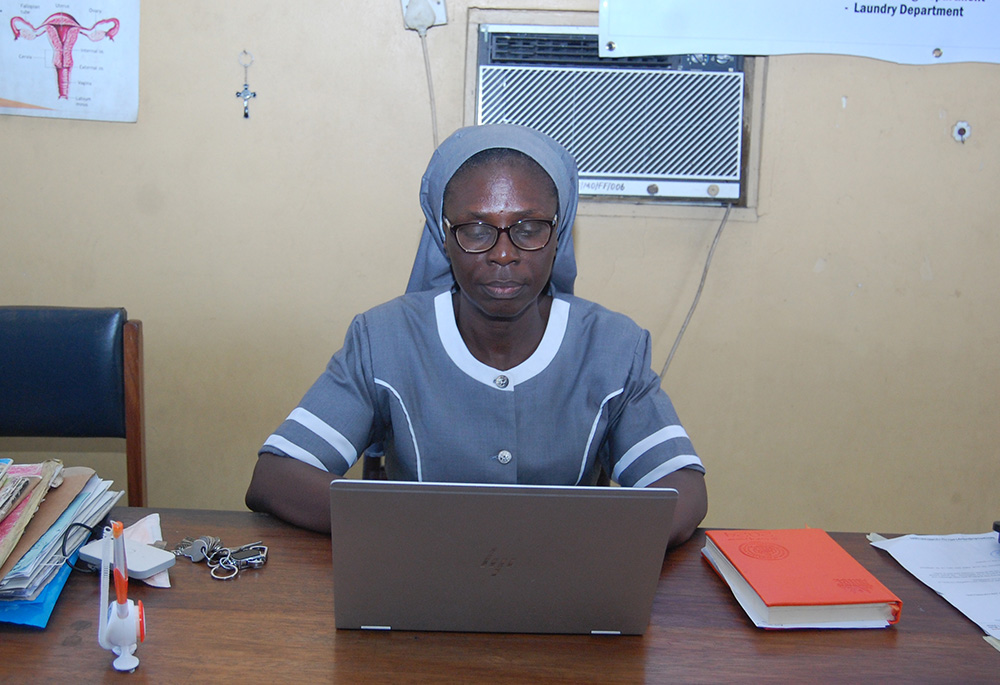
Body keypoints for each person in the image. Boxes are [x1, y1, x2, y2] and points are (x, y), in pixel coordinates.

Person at [246, 124, 707, 548]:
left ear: (558, 233)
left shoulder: (612, 346)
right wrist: (433, 527)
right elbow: (276, 477)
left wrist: (573, 540)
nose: (503, 254)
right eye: (476, 229)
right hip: (418, 589)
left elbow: (682, 489)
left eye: (528, 229)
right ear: (442, 235)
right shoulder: (385, 338)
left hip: (566, 600)